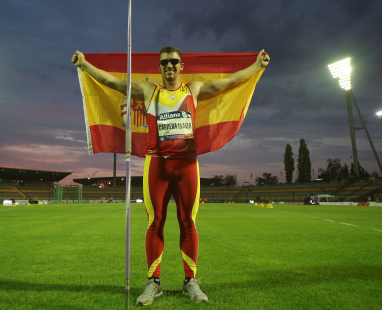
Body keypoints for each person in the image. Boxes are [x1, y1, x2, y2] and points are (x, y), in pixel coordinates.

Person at [72, 46, 270, 305]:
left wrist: (258, 66)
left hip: (187, 165)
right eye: (164, 63)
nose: (169, 66)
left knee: (188, 222)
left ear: (181, 66)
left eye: (174, 62)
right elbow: (114, 83)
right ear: (159, 67)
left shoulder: (194, 90)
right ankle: (154, 283)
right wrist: (85, 65)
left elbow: (230, 82)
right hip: (157, 164)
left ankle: (191, 281)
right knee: (155, 223)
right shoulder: (148, 90)